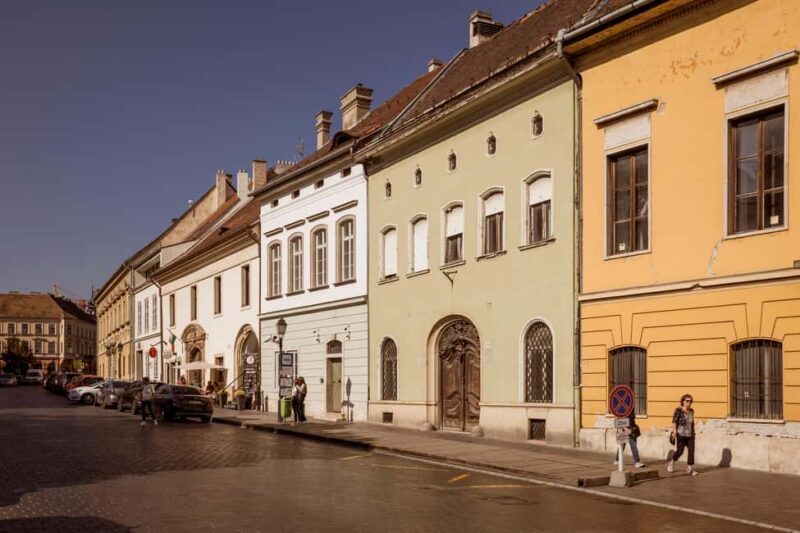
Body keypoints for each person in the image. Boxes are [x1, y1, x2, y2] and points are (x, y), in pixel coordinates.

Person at [668, 394, 697, 475]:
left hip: (690, 434)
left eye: (691, 401)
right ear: (683, 401)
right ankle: (672, 462)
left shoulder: (691, 411)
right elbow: (674, 421)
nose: (689, 403)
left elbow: (692, 423)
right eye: (687, 401)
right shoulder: (678, 410)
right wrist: (674, 431)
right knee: (680, 451)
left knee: (691, 451)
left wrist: (694, 433)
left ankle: (689, 468)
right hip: (681, 434)